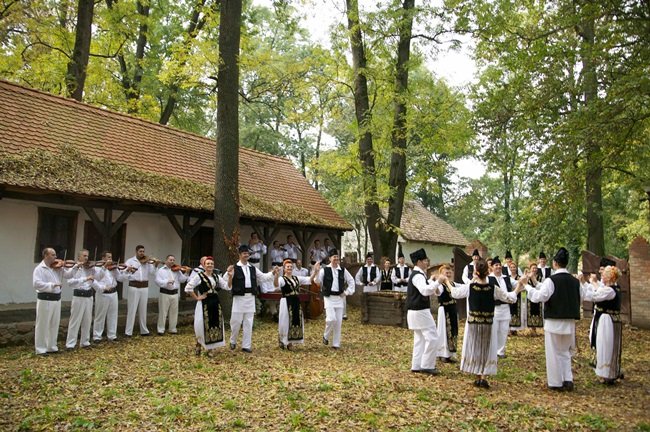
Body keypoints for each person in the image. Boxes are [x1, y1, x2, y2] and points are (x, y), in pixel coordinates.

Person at [444, 258, 520, 388]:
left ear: (476, 272)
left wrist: (447, 282)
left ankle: (478, 375)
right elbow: (510, 298)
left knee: (475, 348)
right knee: (486, 348)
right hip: (488, 323)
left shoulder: (470, 287)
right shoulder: (493, 288)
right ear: (488, 272)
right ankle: (483, 376)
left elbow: (455, 293)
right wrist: (519, 287)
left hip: (473, 323)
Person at [523, 247, 584, 391]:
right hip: (569, 322)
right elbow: (581, 298)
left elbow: (540, 296)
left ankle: (556, 382)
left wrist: (526, 286)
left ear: (555, 263)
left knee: (553, 352)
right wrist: (534, 282)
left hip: (554, 321)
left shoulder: (551, 280)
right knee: (565, 351)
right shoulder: (575, 281)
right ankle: (567, 379)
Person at [227, 245, 278, 353]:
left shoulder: (253, 268)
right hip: (239, 298)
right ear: (240, 255)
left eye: (248, 253)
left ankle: (246, 345)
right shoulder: (234, 268)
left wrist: (273, 273)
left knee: (248, 322)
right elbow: (226, 282)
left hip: (250, 298)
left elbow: (263, 277)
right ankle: (233, 341)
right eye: (244, 253)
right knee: (235, 322)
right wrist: (229, 274)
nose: (246, 255)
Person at [583, 266, 623, 385]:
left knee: (605, 344)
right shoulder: (610, 288)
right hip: (605, 319)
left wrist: (581, 287)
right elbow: (597, 289)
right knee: (602, 343)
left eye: (604, 274)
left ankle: (607, 373)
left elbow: (594, 296)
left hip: (607, 320)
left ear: (610, 277)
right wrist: (588, 283)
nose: (602, 275)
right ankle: (604, 372)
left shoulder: (610, 290)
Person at [406, 248, 444, 375]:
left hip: (415, 311)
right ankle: (427, 365)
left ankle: (416, 365)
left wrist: (431, 281)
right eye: (425, 261)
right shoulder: (417, 275)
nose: (427, 263)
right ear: (418, 262)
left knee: (420, 339)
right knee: (433, 337)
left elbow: (424, 286)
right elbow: (424, 291)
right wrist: (438, 282)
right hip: (420, 311)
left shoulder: (418, 275)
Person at [185, 257, 229, 356]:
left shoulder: (216, 276)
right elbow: (188, 287)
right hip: (204, 303)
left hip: (215, 302)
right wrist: (197, 297)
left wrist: (230, 277)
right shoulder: (199, 276)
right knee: (201, 324)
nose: (210, 265)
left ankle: (211, 348)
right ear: (204, 265)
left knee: (214, 323)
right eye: (208, 264)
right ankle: (199, 343)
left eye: (211, 264)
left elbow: (227, 287)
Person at [312, 249, 355, 349]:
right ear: (330, 258)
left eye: (337, 257)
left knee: (338, 322)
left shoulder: (343, 270)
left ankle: (336, 344)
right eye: (334, 257)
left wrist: (347, 292)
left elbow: (351, 281)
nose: (336, 259)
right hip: (328, 297)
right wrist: (316, 271)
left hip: (339, 298)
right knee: (331, 319)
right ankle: (326, 335)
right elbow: (317, 281)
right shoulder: (325, 270)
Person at [33, 248, 71, 355]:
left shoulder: (57, 268)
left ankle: (52, 347)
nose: (56, 257)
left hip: (56, 299)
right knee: (43, 324)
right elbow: (36, 284)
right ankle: (40, 349)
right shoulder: (39, 269)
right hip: (45, 299)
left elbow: (68, 275)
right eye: (53, 255)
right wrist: (52, 285)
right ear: (46, 256)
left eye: (55, 254)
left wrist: (76, 267)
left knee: (54, 324)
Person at [273, 259, 315, 349]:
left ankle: (290, 342)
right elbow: (276, 285)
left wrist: (315, 271)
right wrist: (276, 275)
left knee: (296, 320)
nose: (289, 268)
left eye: (291, 267)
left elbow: (309, 279)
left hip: (295, 301)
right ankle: (283, 340)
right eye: (287, 267)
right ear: (284, 269)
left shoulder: (296, 278)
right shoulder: (282, 279)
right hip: (286, 301)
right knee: (285, 321)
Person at [487, 256, 518, 358]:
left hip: (506, 308)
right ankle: (492, 351)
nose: (498, 267)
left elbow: (518, 283)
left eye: (500, 265)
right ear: (492, 267)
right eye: (496, 265)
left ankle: (500, 351)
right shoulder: (488, 279)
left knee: (504, 330)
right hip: (494, 308)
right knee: (494, 330)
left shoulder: (507, 278)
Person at [124, 245, 158, 337]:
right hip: (134, 286)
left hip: (144, 287)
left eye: (143, 251)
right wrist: (139, 263)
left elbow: (153, 272)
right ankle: (128, 332)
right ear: (136, 252)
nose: (142, 253)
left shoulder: (147, 262)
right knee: (132, 309)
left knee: (143, 309)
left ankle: (144, 330)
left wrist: (155, 264)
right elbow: (124, 273)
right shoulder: (130, 261)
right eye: (140, 251)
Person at [65, 249, 96, 349]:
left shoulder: (90, 268)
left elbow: (97, 277)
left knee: (87, 320)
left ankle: (85, 342)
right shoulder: (74, 268)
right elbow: (70, 283)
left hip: (89, 296)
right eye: (84, 256)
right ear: (79, 257)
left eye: (87, 256)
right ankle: (70, 344)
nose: (86, 258)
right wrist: (85, 279)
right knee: (75, 320)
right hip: (79, 296)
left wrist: (102, 268)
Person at [92, 251, 125, 342]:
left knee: (113, 314)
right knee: (100, 315)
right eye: (108, 257)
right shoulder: (97, 267)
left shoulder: (113, 268)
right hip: (103, 293)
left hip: (113, 293)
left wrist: (127, 271)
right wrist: (104, 267)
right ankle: (97, 336)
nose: (110, 259)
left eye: (111, 257)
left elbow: (120, 278)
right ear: (103, 258)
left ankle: (112, 335)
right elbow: (97, 278)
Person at [155, 255, 189, 335]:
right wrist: (166, 281)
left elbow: (182, 280)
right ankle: (161, 329)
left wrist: (187, 272)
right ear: (166, 260)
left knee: (174, 312)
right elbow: (157, 281)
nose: (172, 261)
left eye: (173, 260)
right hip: (164, 293)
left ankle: (172, 328)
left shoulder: (177, 270)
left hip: (175, 293)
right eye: (170, 260)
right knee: (163, 312)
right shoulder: (161, 270)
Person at [436, 264, 459, 363]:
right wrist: (436, 285)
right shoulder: (441, 285)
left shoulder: (453, 284)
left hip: (452, 309)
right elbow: (437, 292)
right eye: (446, 273)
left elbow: (464, 287)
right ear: (441, 274)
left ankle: (449, 354)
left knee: (452, 331)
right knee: (444, 331)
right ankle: (442, 354)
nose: (448, 274)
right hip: (444, 310)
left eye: (450, 272)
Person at [524, 262, 543, 334]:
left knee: (537, 311)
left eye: (536, 268)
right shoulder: (527, 277)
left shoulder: (540, 277)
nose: (534, 269)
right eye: (533, 268)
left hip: (538, 296)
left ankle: (535, 328)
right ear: (530, 269)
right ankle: (532, 328)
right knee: (530, 312)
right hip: (530, 296)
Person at [507, 260, 525, 335]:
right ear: (509, 268)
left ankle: (515, 329)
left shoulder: (520, 277)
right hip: (510, 296)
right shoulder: (507, 278)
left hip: (518, 296)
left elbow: (523, 287)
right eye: (511, 267)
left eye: (514, 267)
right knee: (510, 311)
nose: (513, 269)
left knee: (517, 311)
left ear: (516, 268)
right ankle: (510, 328)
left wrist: (517, 290)